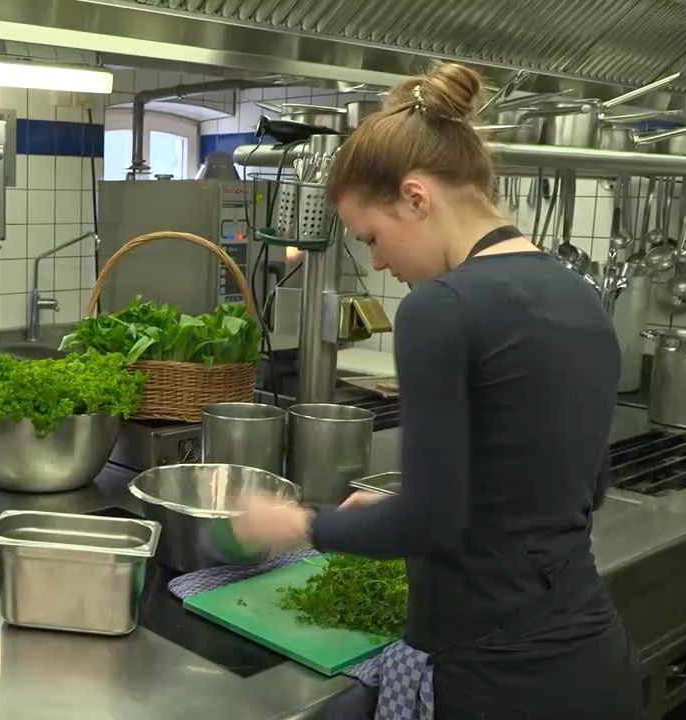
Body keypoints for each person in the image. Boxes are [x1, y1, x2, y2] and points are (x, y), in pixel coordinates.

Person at [231, 63, 642, 719]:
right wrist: (404, 498)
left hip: (491, 682)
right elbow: (580, 485)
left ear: (417, 198)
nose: (380, 262)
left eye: (373, 237)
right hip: (590, 664)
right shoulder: (580, 297)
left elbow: (432, 523)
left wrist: (301, 524)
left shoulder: (440, 309)